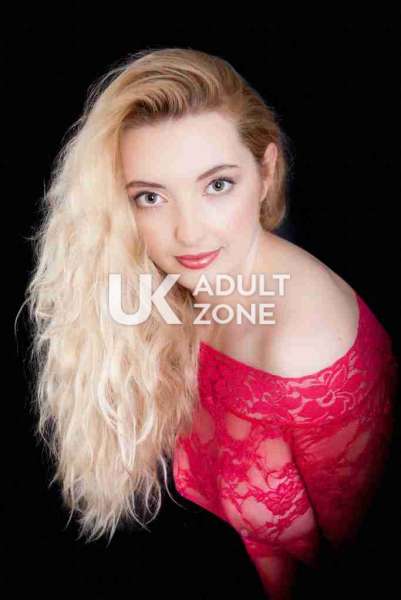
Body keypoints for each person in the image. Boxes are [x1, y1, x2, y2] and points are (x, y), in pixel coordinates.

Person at [20, 47, 399, 599]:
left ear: (265, 173)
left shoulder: (303, 352)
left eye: (217, 185)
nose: (189, 233)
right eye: (150, 197)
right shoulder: (172, 290)